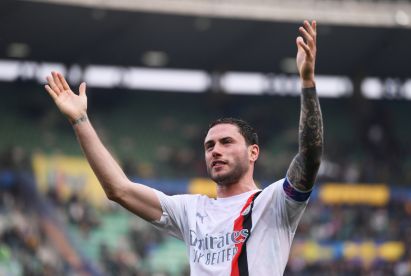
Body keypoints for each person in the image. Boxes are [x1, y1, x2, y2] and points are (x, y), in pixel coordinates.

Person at [44, 20, 323, 276]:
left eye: (227, 142)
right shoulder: (192, 210)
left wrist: (307, 82)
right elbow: (119, 189)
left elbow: (310, 155)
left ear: (253, 152)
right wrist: (80, 120)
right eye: (209, 145)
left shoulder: (273, 203)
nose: (215, 150)